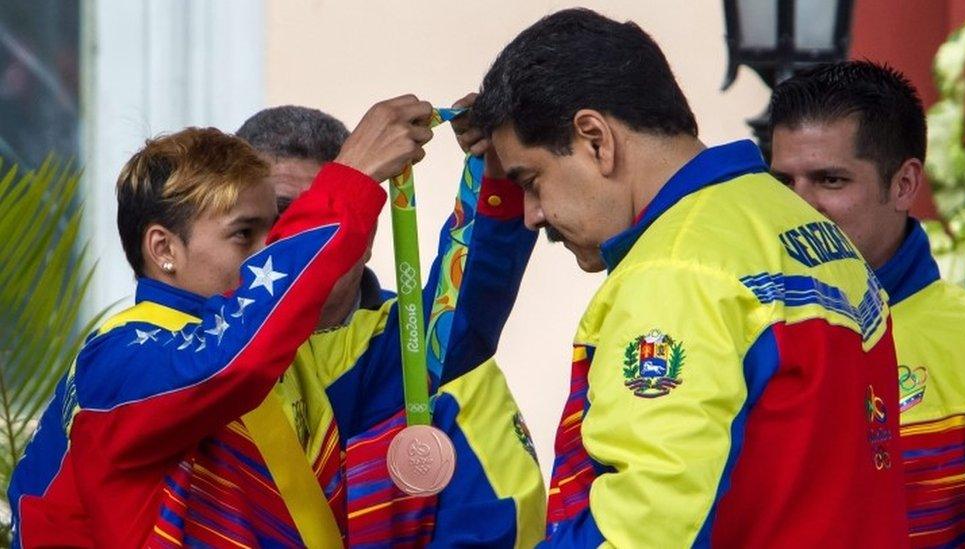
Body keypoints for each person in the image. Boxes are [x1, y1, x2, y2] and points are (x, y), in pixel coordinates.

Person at [471, 8, 908, 547]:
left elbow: (642, 527)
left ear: (595, 139)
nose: (532, 214)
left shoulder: (674, 270)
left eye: (530, 180)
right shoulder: (810, 230)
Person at [7, 95, 432, 547]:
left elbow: (444, 341)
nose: (269, 251)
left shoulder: (279, 352)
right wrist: (351, 178)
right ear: (164, 249)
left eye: (277, 230)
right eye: (244, 234)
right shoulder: (120, 359)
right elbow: (229, 363)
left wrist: (494, 193)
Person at [233, 102, 546, 546]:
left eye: (327, 215)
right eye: (282, 217)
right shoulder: (203, 357)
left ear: (367, 231)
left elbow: (495, 528)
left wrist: (496, 169)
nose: (304, 241)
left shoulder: (432, 355)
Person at [770, 60, 965, 548]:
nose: (798, 207)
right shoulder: (737, 329)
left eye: (831, 180)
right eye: (783, 184)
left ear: (904, 184)